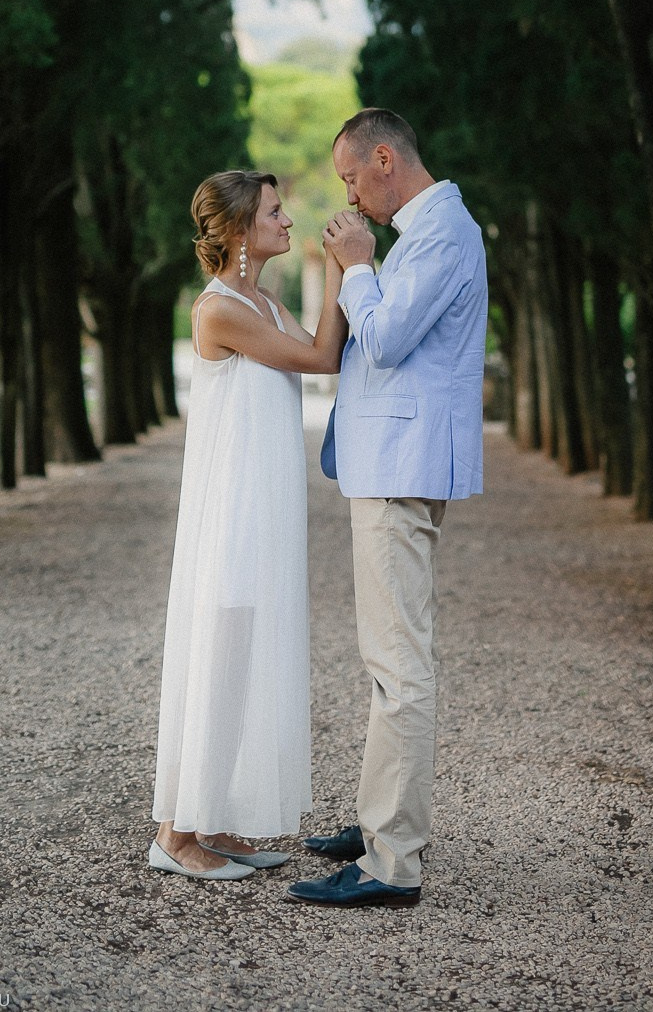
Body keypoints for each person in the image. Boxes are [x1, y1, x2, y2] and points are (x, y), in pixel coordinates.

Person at [287, 109, 488, 909]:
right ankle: (379, 823)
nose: (349, 192)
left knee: (400, 667)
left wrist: (359, 266)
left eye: (349, 177)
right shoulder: (424, 230)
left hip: (401, 470)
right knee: (387, 661)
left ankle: (390, 862)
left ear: (382, 158)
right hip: (390, 464)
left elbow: (391, 339)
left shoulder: (440, 231)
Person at [150, 170, 348, 882]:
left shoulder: (262, 300)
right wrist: (340, 267)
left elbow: (328, 355)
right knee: (219, 655)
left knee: (240, 661)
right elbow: (321, 356)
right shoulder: (220, 310)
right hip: (232, 510)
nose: (288, 220)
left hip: (262, 506)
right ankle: (176, 836)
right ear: (239, 230)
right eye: (273, 211)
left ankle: (213, 817)